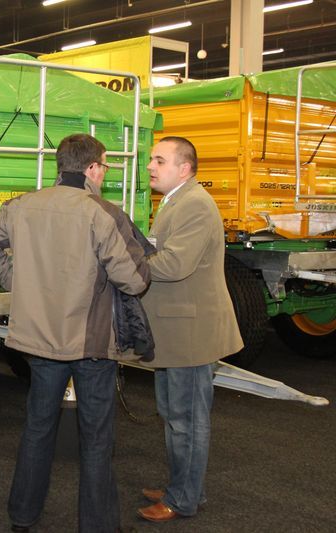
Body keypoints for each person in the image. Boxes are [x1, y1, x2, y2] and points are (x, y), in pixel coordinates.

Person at [0, 133, 152, 533]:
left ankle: (22, 517)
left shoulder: (22, 206)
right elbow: (135, 281)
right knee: (97, 438)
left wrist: (20, 280)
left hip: (38, 340)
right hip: (91, 345)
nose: (103, 174)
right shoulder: (103, 213)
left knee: (37, 428)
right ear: (90, 168)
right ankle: (98, 526)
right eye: (103, 166)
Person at [136, 136, 243, 522]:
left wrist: (127, 259)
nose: (151, 166)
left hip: (191, 333)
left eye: (160, 161)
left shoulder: (194, 204)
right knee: (174, 414)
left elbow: (173, 265)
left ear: (185, 168)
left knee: (188, 420)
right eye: (152, 159)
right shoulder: (174, 201)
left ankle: (183, 499)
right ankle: (181, 486)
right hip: (176, 330)